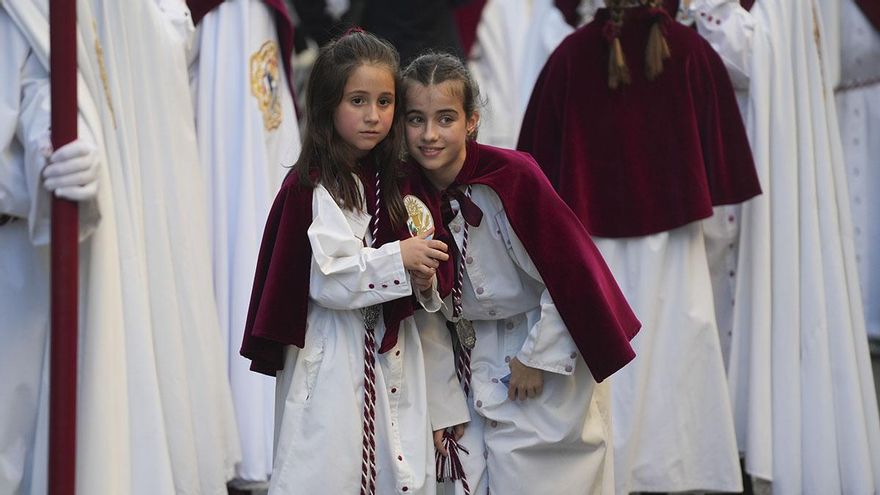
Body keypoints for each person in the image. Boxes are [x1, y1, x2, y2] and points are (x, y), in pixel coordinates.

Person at [517, 1, 763, 492]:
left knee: (610, 367)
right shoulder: (691, 51)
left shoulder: (569, 55)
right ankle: (682, 469)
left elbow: (537, 161)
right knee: (676, 349)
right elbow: (723, 153)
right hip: (674, 244)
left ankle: (610, 471)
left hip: (595, 250)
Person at [400, 52, 641, 495]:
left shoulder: (514, 177)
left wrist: (535, 358)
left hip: (540, 346)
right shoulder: (408, 194)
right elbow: (427, 316)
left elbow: (569, 279)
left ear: (471, 121)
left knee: (539, 476)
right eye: (416, 119)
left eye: (445, 118)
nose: (429, 135)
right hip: (469, 357)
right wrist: (444, 400)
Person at [240, 30, 453, 494]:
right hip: (332, 355)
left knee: (394, 467)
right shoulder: (314, 187)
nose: (373, 116)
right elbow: (329, 278)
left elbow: (426, 291)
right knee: (329, 463)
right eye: (357, 101)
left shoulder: (397, 180)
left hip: (393, 355)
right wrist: (401, 258)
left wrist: (424, 277)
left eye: (384, 101)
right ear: (327, 105)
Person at [187, 0, 303, 488]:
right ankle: (220, 432)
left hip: (248, 35)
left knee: (252, 206)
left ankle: (256, 432)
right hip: (212, 41)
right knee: (220, 212)